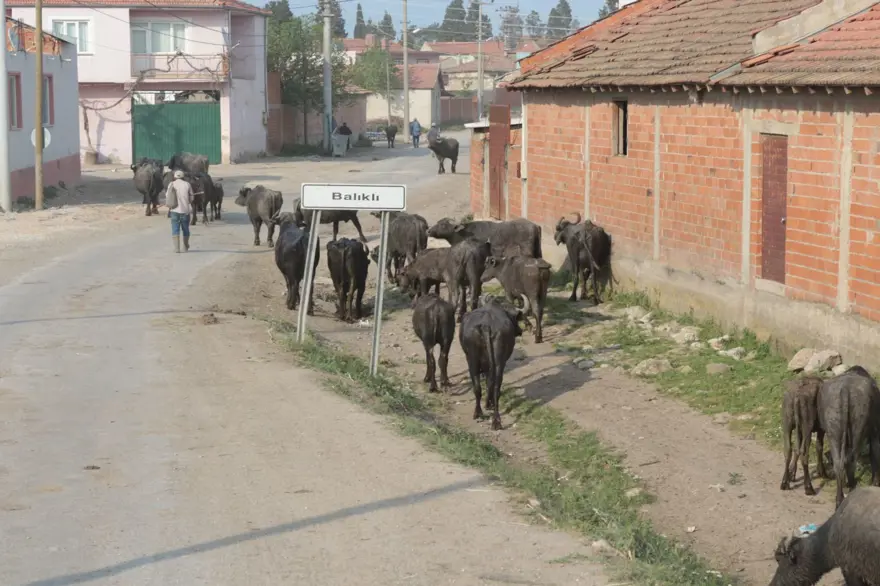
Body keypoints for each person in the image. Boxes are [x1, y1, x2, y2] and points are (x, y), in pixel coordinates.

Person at [165, 170, 194, 253]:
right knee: (185, 229)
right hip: (185, 211)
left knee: (175, 229)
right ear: (183, 176)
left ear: (175, 177)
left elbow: (167, 196)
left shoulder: (171, 184)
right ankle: (185, 247)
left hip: (174, 211)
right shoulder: (187, 184)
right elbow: (192, 198)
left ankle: (177, 248)